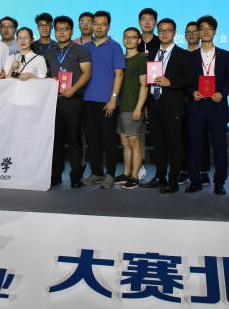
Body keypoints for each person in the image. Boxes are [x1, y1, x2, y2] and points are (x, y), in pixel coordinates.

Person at [140, 19, 195, 193]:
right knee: (158, 144)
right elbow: (148, 82)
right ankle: (160, 176)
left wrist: (171, 82)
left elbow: (191, 79)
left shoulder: (183, 54)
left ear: (174, 33)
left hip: (173, 106)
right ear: (158, 33)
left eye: (168, 30)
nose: (164, 33)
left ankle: (173, 180)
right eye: (161, 30)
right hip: (154, 105)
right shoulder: (152, 53)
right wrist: (147, 104)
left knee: (174, 144)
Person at [186, 15, 229, 195]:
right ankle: (195, 180)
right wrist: (192, 92)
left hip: (217, 106)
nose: (206, 31)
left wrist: (222, 93)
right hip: (197, 106)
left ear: (215, 31)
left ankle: (220, 182)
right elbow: (186, 81)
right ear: (198, 32)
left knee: (219, 146)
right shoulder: (190, 56)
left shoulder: (226, 55)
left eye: (209, 28)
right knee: (194, 145)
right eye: (202, 28)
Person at [45, 16, 91, 187]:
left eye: (65, 29)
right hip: (53, 101)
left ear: (72, 31)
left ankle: (76, 176)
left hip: (74, 100)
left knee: (74, 140)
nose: (61, 32)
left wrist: (73, 89)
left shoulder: (81, 50)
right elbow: (46, 74)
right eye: (58, 29)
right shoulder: (49, 52)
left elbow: (87, 73)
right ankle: (55, 175)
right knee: (55, 140)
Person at [82, 10, 125, 189]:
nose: (99, 27)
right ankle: (96, 172)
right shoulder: (86, 47)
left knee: (109, 140)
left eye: (103, 24)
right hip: (88, 100)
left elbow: (119, 74)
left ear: (109, 26)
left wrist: (113, 99)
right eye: (96, 23)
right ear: (92, 25)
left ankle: (110, 174)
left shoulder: (115, 46)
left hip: (107, 102)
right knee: (93, 139)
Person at [114, 27, 148, 190]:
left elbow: (144, 86)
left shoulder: (141, 59)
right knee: (125, 142)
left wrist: (138, 108)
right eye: (126, 37)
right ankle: (126, 173)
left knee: (134, 142)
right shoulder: (120, 59)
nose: (128, 39)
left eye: (132, 37)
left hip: (133, 107)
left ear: (139, 40)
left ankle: (135, 177)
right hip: (120, 107)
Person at [179, 21, 211, 186]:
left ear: (199, 34)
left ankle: (203, 171)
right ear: (184, 35)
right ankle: (184, 170)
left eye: (194, 31)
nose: (191, 34)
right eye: (188, 32)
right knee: (183, 137)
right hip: (183, 102)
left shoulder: (206, 55)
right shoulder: (180, 54)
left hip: (202, 102)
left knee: (202, 138)